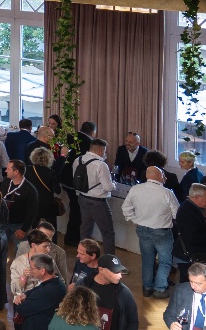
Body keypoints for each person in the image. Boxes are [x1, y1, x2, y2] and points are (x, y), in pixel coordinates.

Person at [122, 165, 178, 298]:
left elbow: (125, 208)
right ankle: (160, 289)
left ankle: (147, 288)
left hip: (142, 229)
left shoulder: (135, 189)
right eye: (163, 175)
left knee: (147, 259)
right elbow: (177, 213)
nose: (165, 177)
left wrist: (134, 219)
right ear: (159, 177)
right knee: (165, 261)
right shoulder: (167, 193)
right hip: (162, 231)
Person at [73, 139, 117, 255]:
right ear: (100, 150)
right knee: (108, 233)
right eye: (105, 151)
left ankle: (83, 255)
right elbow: (108, 187)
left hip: (82, 198)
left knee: (85, 229)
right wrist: (114, 185)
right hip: (98, 202)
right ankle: (110, 261)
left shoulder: (78, 160)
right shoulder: (101, 165)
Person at [81, 254, 139, 330]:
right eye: (115, 272)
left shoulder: (124, 292)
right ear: (101, 270)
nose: (120, 276)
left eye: (120, 271)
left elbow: (133, 321)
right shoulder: (83, 286)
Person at [12, 254, 65, 330]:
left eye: (32, 268)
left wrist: (19, 302)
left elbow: (22, 309)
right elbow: (36, 290)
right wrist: (25, 295)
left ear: (42, 271)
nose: (30, 270)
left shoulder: (47, 291)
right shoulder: (55, 282)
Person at [165, 263, 206, 329]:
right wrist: (171, 323)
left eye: (198, 283)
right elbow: (169, 314)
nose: (193, 286)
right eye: (191, 281)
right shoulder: (180, 290)